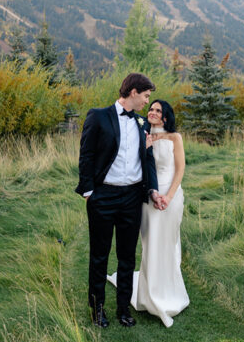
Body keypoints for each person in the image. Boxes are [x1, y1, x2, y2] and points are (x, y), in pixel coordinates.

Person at [75, 73, 165, 328]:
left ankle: (123, 309)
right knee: (99, 256)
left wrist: (152, 190)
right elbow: (86, 155)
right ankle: (97, 310)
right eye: (146, 96)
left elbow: (147, 159)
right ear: (133, 92)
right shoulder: (98, 116)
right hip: (103, 196)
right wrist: (89, 192)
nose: (147, 102)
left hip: (132, 198)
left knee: (127, 256)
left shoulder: (142, 123)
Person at [125, 99, 189, 327]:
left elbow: (180, 169)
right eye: (150, 108)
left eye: (158, 110)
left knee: (167, 243)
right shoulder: (142, 134)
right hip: (148, 196)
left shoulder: (175, 138)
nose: (152, 112)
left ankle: (169, 292)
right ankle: (148, 295)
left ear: (165, 116)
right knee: (150, 242)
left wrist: (168, 197)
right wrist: (144, 148)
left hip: (171, 195)